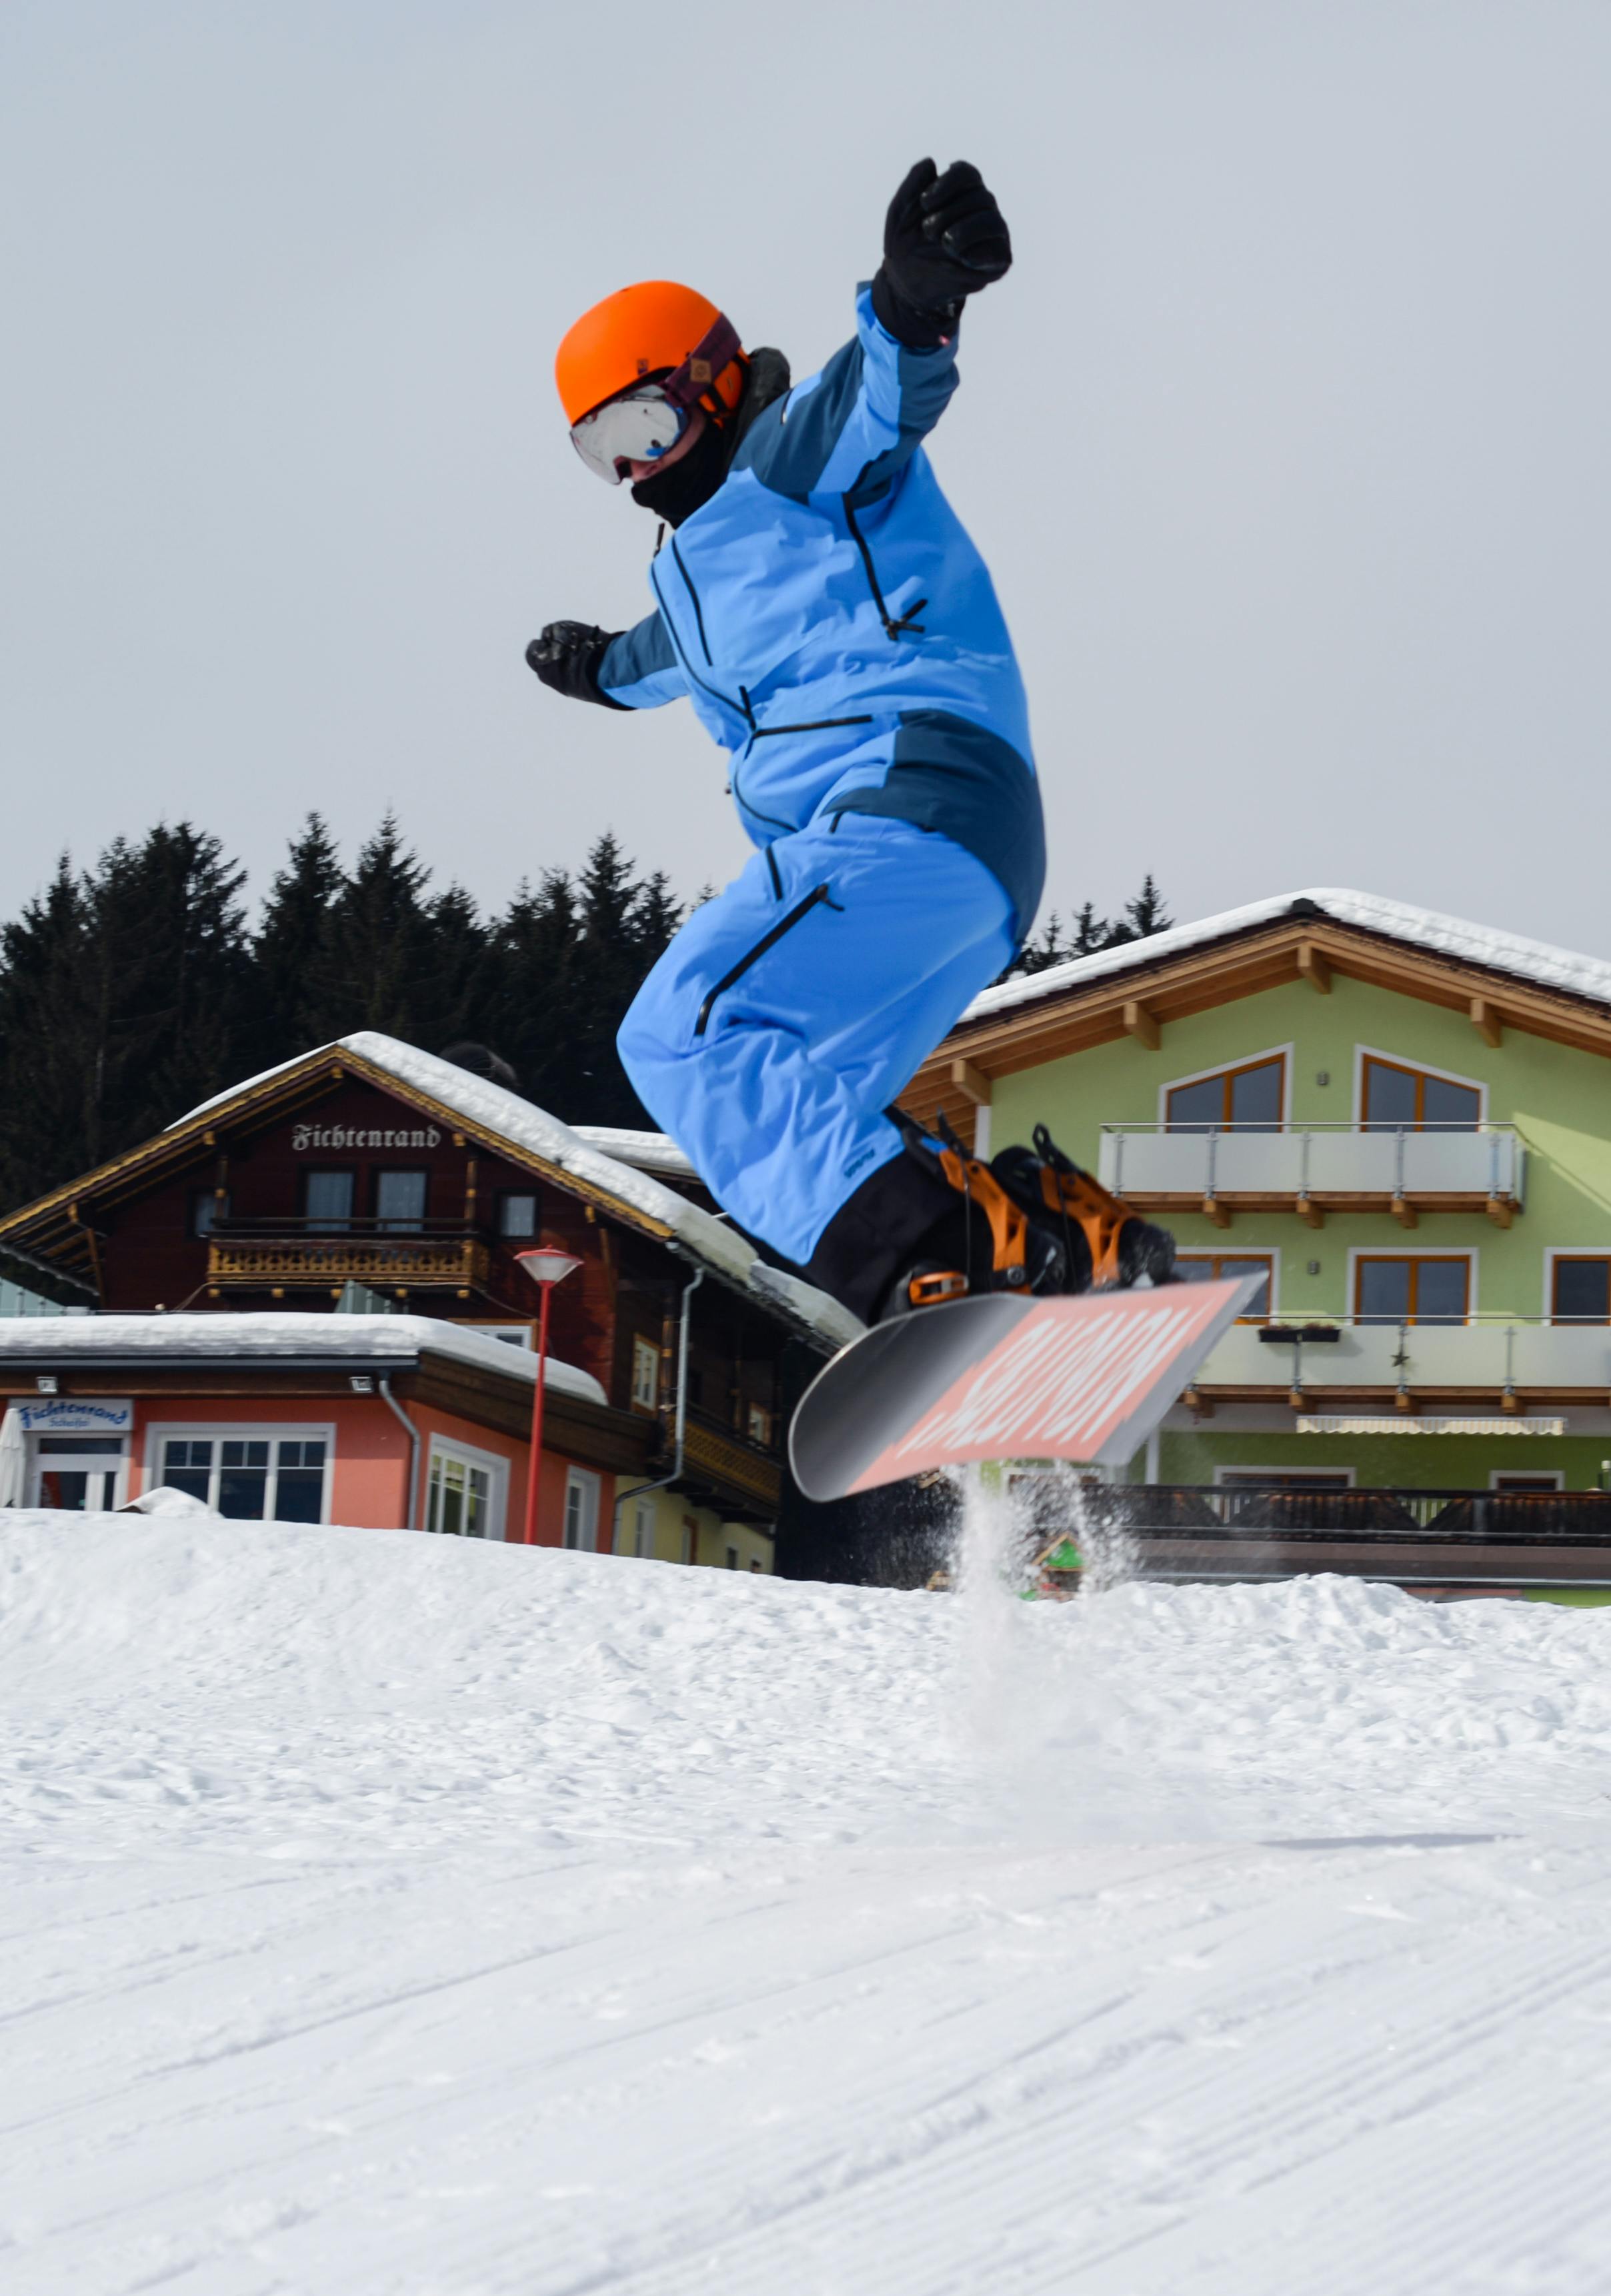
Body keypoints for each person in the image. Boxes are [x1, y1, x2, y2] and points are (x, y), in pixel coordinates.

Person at [529, 159, 1174, 1322]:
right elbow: (656, 661)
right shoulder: (684, 582)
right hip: (948, 860)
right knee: (795, 1098)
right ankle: (1051, 1235)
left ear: (711, 388)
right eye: (601, 452)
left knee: (689, 1028)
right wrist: (593, 672)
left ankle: (914, 1263)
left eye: (643, 425)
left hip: (905, 801)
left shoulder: (789, 460)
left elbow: (882, 388)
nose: (632, 470)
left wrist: (916, 298)